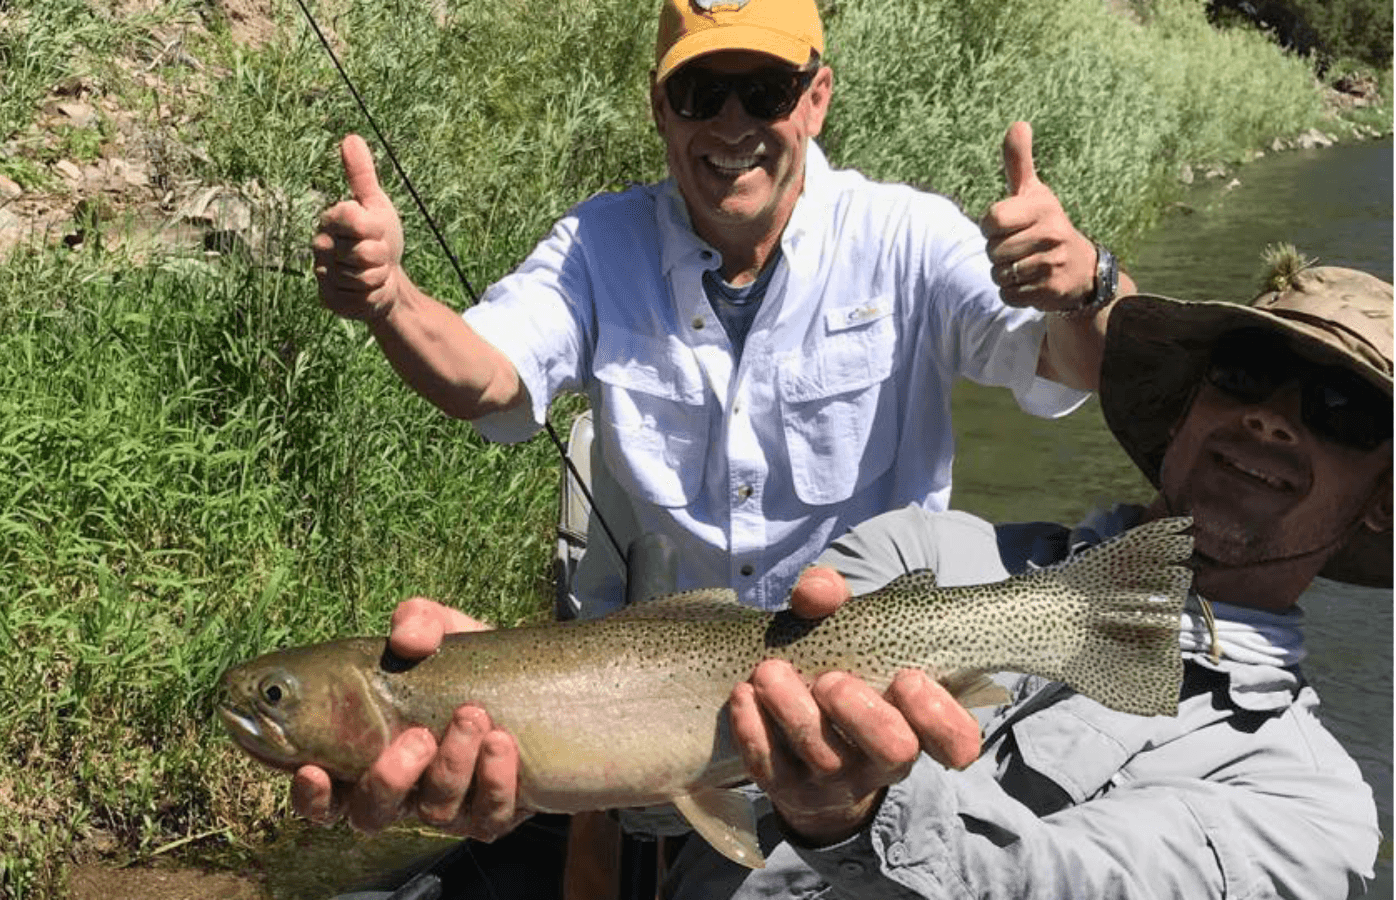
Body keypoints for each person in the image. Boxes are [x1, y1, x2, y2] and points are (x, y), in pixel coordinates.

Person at [303, 0, 1135, 863]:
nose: (733, 123)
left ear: (815, 98)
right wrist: (390, 299)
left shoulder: (906, 237)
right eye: (701, 92)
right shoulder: (598, 244)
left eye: (765, 91)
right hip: (649, 714)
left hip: (871, 699)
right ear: (660, 107)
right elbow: (486, 376)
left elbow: (1075, 363)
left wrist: (1089, 285)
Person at [686, 258, 1390, 897]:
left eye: (1343, 410)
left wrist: (856, 810)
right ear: (1183, 409)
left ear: (1382, 504)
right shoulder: (916, 552)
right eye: (1245, 372)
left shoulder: (1307, 806)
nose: (1270, 419)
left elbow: (1071, 883)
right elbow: (709, 762)